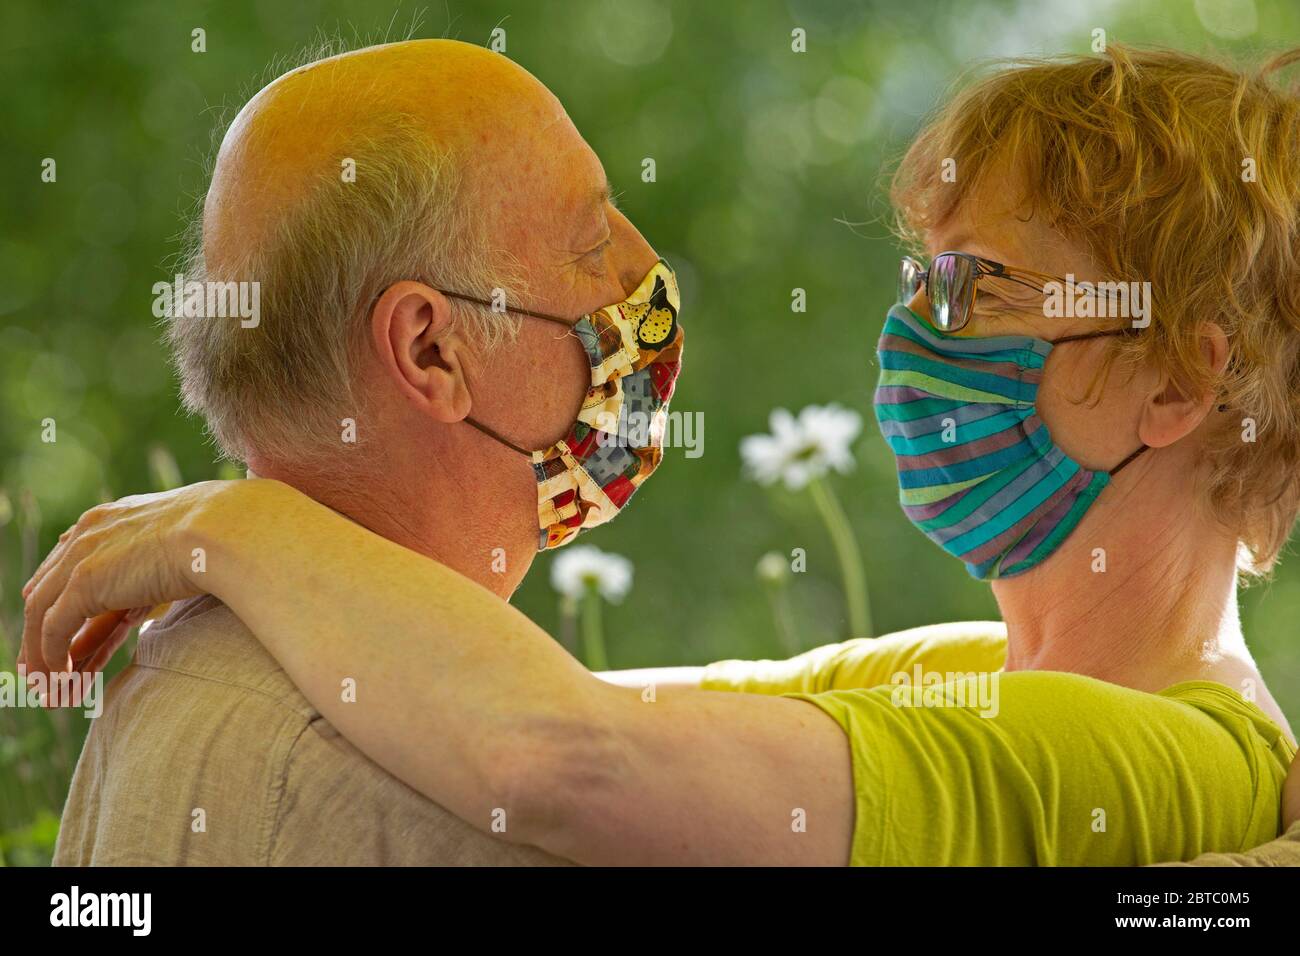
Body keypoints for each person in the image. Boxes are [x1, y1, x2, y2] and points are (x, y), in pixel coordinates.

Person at [25, 43, 1300, 866]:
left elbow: (564, 750)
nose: (910, 331)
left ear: (1180, 381)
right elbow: (590, 698)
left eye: (979, 289)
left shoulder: (1165, 748)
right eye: (922, 278)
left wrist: (241, 526)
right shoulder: (985, 670)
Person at [38, 37, 679, 865]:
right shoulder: (456, 788)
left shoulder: (173, 672)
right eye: (591, 244)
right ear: (428, 353)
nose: (646, 269)